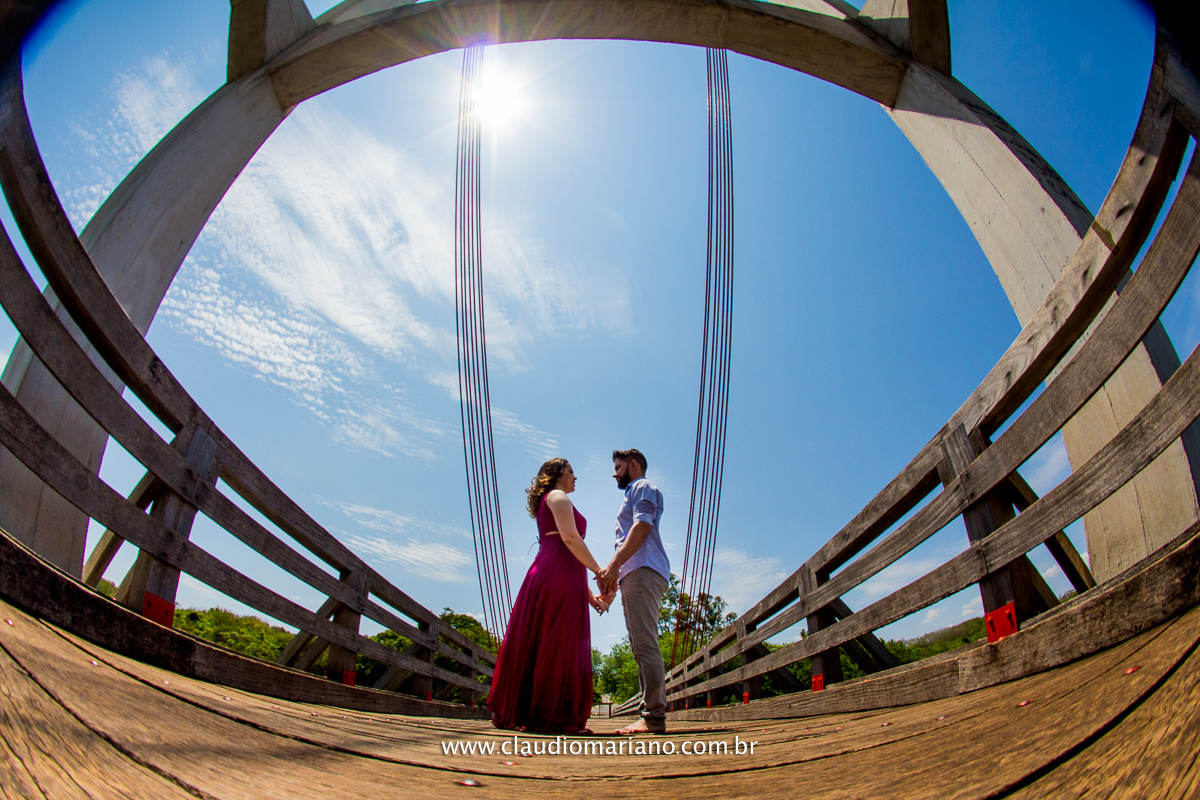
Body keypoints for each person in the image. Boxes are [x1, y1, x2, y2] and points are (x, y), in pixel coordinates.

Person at [487, 458, 613, 733]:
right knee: (559, 642)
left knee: (551, 640)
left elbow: (570, 551)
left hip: (557, 572)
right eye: (571, 472)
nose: (575, 477)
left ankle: (538, 711)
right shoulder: (557, 496)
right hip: (556, 574)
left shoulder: (552, 498)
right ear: (556, 475)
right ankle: (552, 715)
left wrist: (591, 598)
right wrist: (600, 571)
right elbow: (570, 539)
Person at [596, 448, 670, 735]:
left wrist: (614, 565)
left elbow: (642, 526)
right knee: (640, 645)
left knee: (645, 643)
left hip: (643, 569)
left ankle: (653, 716)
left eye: (618, 467)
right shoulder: (633, 492)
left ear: (634, 465)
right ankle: (650, 712)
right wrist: (617, 575)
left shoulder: (642, 486)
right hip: (636, 572)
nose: (614, 473)